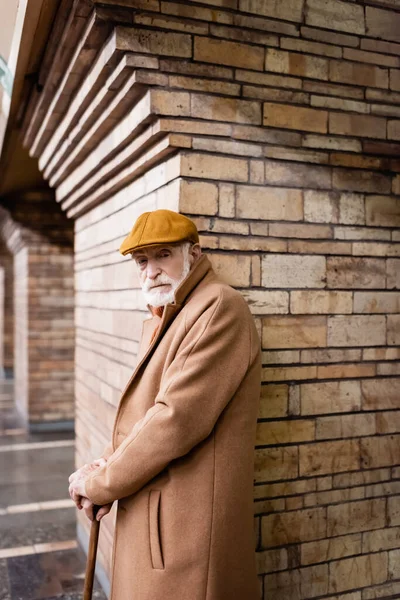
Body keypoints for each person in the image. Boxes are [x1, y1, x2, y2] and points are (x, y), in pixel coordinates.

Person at [69, 209, 262, 600]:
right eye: (142, 261)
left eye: (163, 255)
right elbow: (143, 414)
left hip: (184, 526)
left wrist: (103, 483)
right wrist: (104, 462)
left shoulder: (218, 307)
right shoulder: (170, 314)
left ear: (193, 252)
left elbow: (175, 419)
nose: (151, 271)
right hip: (159, 510)